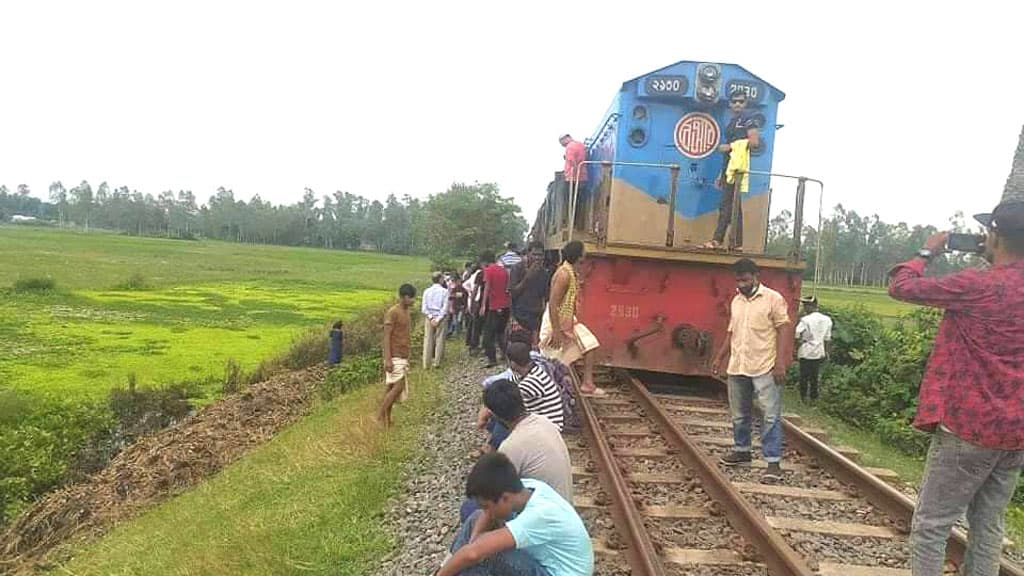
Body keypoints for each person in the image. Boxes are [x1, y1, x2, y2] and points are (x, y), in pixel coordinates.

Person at [887, 140, 1024, 576]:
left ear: (996, 236)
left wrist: (927, 251)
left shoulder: (976, 285)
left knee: (932, 524)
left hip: (967, 425)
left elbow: (902, 287)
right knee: (988, 525)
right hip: (1016, 432)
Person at [439, 453, 594, 576]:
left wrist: (472, 547)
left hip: (555, 573)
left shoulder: (539, 515)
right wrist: (473, 540)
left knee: (489, 555)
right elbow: (484, 519)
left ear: (505, 498)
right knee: (476, 520)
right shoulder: (526, 488)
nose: (487, 512)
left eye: (488, 506)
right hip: (541, 564)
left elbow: (473, 554)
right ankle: (444, 567)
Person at [711, 258, 790, 483]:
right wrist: (719, 358)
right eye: (738, 280)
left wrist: (780, 362)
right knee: (739, 413)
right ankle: (742, 451)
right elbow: (731, 332)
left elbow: (784, 328)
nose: (742, 284)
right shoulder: (736, 301)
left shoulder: (773, 299)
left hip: (764, 365)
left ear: (756, 276)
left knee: (769, 414)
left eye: (745, 279)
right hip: (738, 365)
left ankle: (773, 462)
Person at [460, 379, 574, 524]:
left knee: (469, 509)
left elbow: (494, 492)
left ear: (496, 415)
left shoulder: (511, 446)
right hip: (564, 505)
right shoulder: (544, 421)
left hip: (546, 519)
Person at [540, 240, 603, 395]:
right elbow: (553, 304)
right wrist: (555, 331)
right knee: (554, 357)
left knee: (590, 344)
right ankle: (549, 389)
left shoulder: (570, 272)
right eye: (583, 252)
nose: (586, 254)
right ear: (578, 256)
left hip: (567, 319)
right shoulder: (563, 275)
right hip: (556, 320)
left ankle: (587, 383)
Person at [703, 91, 760, 251]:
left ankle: (717, 240)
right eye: (734, 101)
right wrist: (721, 173)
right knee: (735, 206)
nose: (737, 104)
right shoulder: (732, 123)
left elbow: (754, 142)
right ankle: (737, 243)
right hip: (730, 168)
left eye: (741, 102)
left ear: (745, 103)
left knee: (726, 205)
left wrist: (730, 146)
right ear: (730, 104)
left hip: (738, 169)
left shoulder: (749, 120)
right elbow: (730, 153)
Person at [377, 283, 416, 428]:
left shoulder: (406, 312)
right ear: (404, 297)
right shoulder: (393, 312)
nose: (413, 301)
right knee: (398, 387)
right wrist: (387, 359)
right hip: (394, 356)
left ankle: (387, 420)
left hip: (402, 355)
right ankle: (379, 416)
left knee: (390, 389)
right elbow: (386, 337)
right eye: (411, 298)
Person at [509, 241, 550, 345]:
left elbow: (546, 297)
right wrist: (528, 277)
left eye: (540, 255)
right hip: (519, 316)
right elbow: (513, 293)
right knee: (518, 351)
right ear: (528, 254)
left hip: (535, 318)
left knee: (535, 352)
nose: (537, 258)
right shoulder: (517, 269)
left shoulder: (544, 274)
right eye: (534, 254)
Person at [794, 296, 832, 403]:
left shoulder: (805, 320)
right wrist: (827, 352)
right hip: (819, 351)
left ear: (811, 306)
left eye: (806, 305)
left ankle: (803, 397)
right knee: (814, 376)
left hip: (806, 350)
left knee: (804, 376)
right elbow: (828, 339)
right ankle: (814, 397)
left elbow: (797, 333)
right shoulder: (827, 320)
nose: (804, 308)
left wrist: (796, 347)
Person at [481, 251, 511, 368]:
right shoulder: (503, 270)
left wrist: (483, 305)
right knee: (500, 333)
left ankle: (492, 358)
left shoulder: (488, 270)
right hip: (506, 306)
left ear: (484, 262)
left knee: (488, 335)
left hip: (495, 306)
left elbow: (487, 288)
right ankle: (505, 354)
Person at [421, 272, 448, 369]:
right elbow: (445, 308)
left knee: (428, 339)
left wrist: (431, 317)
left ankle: (426, 363)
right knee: (440, 339)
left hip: (429, 317)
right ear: (440, 279)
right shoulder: (444, 291)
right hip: (440, 317)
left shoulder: (426, 291)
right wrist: (438, 318)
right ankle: (437, 362)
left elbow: (424, 308)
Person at [447, 273, 468, 338]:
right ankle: (453, 332)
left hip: (461, 306)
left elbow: (465, 298)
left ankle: (457, 331)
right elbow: (450, 297)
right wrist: (450, 307)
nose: (459, 283)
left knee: (459, 320)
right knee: (455, 320)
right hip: (455, 306)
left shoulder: (463, 289)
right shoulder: (454, 288)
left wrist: (465, 306)